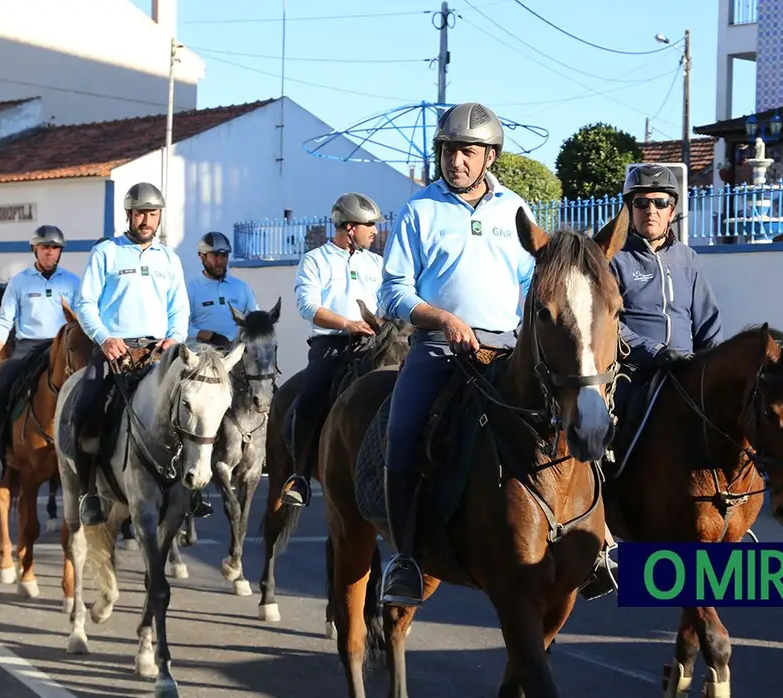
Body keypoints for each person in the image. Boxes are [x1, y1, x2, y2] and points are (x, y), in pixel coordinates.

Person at [375, 102, 536, 608]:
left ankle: (594, 545)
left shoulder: (517, 209)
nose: (456, 161)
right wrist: (444, 319)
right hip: (440, 348)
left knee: (575, 422)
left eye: (467, 152)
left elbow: (534, 282)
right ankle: (406, 558)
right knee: (401, 435)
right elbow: (392, 291)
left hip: (508, 349)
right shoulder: (420, 210)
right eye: (448, 151)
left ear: (490, 156)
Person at [591, 163, 724, 600]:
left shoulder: (688, 259)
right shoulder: (613, 258)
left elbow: (707, 323)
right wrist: (651, 354)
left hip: (688, 370)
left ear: (673, 211)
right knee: (599, 433)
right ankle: (598, 539)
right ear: (628, 209)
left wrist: (711, 367)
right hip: (634, 370)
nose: (651, 210)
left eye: (660, 203)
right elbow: (611, 325)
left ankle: (734, 514)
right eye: (641, 203)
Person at [69, 182, 209, 525]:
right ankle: (88, 491)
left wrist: (173, 339)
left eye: (153, 213)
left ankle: (194, 490)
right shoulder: (106, 252)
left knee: (198, 407)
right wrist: (104, 338)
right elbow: (84, 303)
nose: (147, 220)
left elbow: (180, 309)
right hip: (114, 348)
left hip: (160, 351)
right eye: (141, 213)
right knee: (86, 408)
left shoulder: (169, 258)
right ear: (129, 215)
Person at [280, 192, 385, 507]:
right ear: (350, 227)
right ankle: (299, 475)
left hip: (374, 344)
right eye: (370, 225)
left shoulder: (377, 263)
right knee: (310, 396)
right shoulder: (315, 260)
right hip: (331, 346)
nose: (375, 231)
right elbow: (308, 305)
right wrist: (347, 324)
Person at [0, 225, 81, 482]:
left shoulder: (73, 282)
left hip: (63, 349)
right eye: (45, 247)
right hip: (27, 348)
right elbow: (4, 320)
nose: (50, 252)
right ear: (35, 249)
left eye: (55, 248)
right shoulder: (20, 281)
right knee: (0, 391)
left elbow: (83, 319)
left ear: (60, 252)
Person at [187, 231, 259, 349]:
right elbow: (180, 326)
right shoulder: (191, 289)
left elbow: (255, 320)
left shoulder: (242, 288)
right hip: (202, 356)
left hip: (236, 355)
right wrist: (207, 335)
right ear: (202, 256)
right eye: (215, 256)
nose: (220, 261)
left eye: (224, 256)